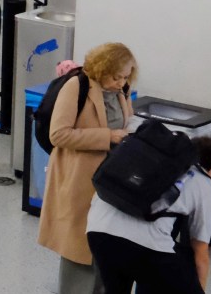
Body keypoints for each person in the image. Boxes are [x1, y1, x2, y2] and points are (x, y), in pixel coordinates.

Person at [38, 42, 138, 294]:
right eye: (116, 76)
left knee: (105, 248)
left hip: (111, 183)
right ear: (102, 69)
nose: (121, 82)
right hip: (79, 181)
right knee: (80, 251)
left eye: (126, 77)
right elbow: (59, 135)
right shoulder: (76, 86)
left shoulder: (121, 90)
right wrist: (107, 137)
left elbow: (127, 118)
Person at [87, 137, 211, 294]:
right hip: (142, 244)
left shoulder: (158, 160)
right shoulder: (204, 182)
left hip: (98, 230)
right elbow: (200, 252)